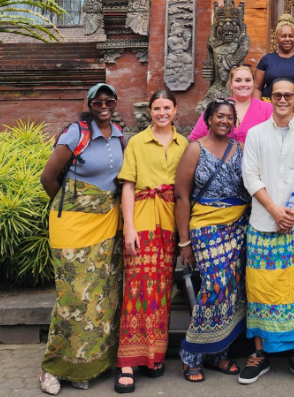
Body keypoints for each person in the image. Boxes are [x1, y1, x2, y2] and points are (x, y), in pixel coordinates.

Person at [39, 84, 125, 395]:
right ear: (88, 103)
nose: (104, 105)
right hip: (73, 226)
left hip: (107, 225)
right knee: (72, 297)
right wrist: (74, 206)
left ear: (115, 103)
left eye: (109, 100)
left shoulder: (118, 135)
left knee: (100, 298)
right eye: (97, 101)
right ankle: (52, 367)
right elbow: (48, 178)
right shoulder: (76, 134)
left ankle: (85, 365)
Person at [240, 77, 294, 384]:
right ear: (269, 98)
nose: (283, 100)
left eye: (288, 95)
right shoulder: (256, 134)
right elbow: (250, 175)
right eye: (277, 95)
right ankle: (259, 353)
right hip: (263, 222)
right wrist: (275, 210)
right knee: (260, 287)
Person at [115, 90, 188, 394]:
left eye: (166, 108)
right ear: (150, 111)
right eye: (156, 108)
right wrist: (128, 227)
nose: (161, 113)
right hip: (143, 219)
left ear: (175, 110)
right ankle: (127, 362)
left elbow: (186, 191)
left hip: (170, 221)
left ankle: (153, 355)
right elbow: (128, 187)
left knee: (161, 289)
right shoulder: (136, 142)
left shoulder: (184, 144)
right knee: (137, 288)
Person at [175, 99, 249, 382]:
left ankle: (219, 352)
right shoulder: (195, 148)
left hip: (238, 226)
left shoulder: (240, 149)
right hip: (206, 226)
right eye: (220, 116)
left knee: (232, 288)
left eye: (230, 118)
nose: (225, 121)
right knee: (216, 284)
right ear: (208, 118)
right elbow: (182, 195)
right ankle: (191, 352)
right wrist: (184, 241)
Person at [189, 65, 272, 143]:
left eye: (247, 80)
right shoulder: (216, 107)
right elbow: (196, 139)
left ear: (253, 84)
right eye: (238, 80)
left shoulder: (267, 109)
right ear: (231, 84)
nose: (243, 84)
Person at [254, 14, 294, 100]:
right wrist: (259, 108)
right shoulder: (267, 59)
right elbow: (257, 87)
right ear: (276, 38)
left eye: (291, 36)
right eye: (283, 36)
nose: (287, 39)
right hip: (269, 107)